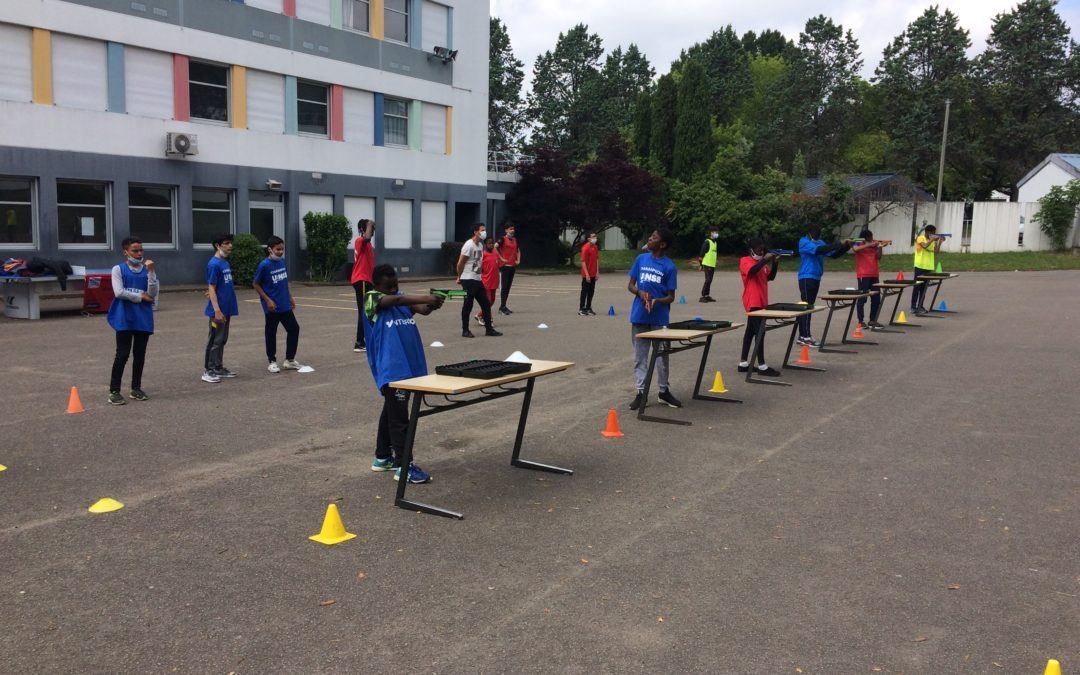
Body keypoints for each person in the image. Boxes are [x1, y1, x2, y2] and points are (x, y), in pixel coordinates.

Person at [363, 264, 444, 484]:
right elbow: (396, 300)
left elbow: (422, 309)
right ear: (376, 286)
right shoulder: (371, 299)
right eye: (388, 287)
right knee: (400, 420)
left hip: (410, 366)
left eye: (395, 285)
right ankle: (404, 465)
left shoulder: (400, 299)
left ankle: (382, 457)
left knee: (391, 411)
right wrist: (425, 298)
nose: (393, 290)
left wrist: (434, 303)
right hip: (393, 369)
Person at [627, 228, 681, 411]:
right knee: (640, 357)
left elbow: (671, 296)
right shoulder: (641, 260)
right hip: (639, 317)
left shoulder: (669, 267)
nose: (649, 239)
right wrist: (640, 292)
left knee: (662, 358)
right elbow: (630, 285)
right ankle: (641, 393)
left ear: (662, 244)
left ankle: (663, 391)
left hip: (659, 319)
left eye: (654, 237)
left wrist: (657, 300)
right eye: (650, 236)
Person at [106, 237, 159, 405]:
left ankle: (136, 388)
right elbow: (119, 292)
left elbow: (153, 292)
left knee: (140, 354)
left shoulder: (148, 270)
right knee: (122, 354)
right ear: (126, 252)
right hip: (125, 317)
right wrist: (140, 296)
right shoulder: (118, 269)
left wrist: (151, 272)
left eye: (141, 250)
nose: (138, 253)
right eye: (135, 250)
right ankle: (114, 390)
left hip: (142, 317)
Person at [796, 224, 851, 347]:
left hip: (816, 277)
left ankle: (802, 336)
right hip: (806, 277)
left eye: (819, 235)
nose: (817, 237)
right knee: (807, 306)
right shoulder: (803, 242)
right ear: (810, 234)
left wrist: (845, 247)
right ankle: (805, 336)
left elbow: (832, 254)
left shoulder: (819, 241)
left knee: (809, 306)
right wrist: (838, 243)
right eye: (815, 235)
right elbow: (818, 250)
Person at [253, 235, 301, 373]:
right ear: (270, 249)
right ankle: (272, 361)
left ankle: (290, 360)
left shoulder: (282, 262)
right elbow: (255, 284)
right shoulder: (264, 265)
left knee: (294, 329)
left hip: (284, 304)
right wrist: (268, 300)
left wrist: (290, 297)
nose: (280, 252)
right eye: (277, 249)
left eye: (282, 249)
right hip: (272, 307)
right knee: (271, 333)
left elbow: (284, 282)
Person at [738, 238, 782, 377]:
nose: (761, 252)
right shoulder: (745, 260)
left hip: (761, 301)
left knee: (750, 332)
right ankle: (762, 365)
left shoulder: (761, 263)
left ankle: (743, 363)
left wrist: (775, 263)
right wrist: (765, 260)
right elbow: (751, 272)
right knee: (760, 332)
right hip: (753, 301)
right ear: (751, 250)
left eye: (763, 250)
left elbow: (771, 277)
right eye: (759, 250)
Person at [456, 223, 502, 338]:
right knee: (468, 305)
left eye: (484, 230)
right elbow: (460, 263)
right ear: (476, 232)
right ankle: (465, 330)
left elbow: (477, 264)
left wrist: (480, 275)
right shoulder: (469, 245)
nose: (484, 232)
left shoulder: (480, 245)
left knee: (486, 304)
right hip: (468, 279)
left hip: (477, 279)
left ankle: (489, 329)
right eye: (482, 230)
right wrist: (459, 276)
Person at [203, 233, 238, 383]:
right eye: (226, 243)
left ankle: (218, 367)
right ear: (218, 245)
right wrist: (217, 309)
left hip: (227, 308)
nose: (230, 246)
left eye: (230, 243)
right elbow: (211, 287)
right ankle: (208, 370)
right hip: (218, 310)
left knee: (222, 339)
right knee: (215, 340)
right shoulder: (214, 264)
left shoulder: (225, 263)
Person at [852, 229, 890, 328]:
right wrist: (869, 244)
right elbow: (855, 249)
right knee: (862, 298)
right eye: (870, 237)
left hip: (874, 274)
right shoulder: (859, 242)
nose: (872, 239)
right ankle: (861, 321)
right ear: (865, 238)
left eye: (872, 237)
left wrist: (880, 247)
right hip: (863, 275)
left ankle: (873, 320)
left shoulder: (875, 244)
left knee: (876, 299)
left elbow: (878, 257)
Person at [351, 218, 375, 352]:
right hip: (362, 280)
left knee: (370, 310)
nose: (372, 231)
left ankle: (366, 340)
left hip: (368, 280)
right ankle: (359, 342)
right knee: (364, 311)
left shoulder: (368, 245)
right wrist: (369, 224)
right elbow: (366, 237)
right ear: (362, 230)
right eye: (370, 228)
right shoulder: (360, 241)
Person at [911, 224, 943, 315]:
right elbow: (924, 246)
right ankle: (913, 307)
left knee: (924, 288)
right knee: (917, 287)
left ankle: (920, 306)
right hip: (920, 266)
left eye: (934, 233)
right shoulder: (920, 238)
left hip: (928, 266)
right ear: (927, 232)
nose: (933, 234)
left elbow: (936, 252)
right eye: (932, 233)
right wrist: (932, 239)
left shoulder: (932, 240)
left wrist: (939, 242)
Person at [495, 223, 521, 315]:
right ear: (506, 230)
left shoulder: (514, 240)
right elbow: (495, 247)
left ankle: (504, 305)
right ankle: (502, 307)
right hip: (505, 267)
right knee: (504, 287)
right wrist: (501, 258)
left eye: (513, 229)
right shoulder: (502, 239)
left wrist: (518, 259)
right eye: (510, 229)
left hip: (512, 266)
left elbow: (518, 250)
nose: (512, 230)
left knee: (508, 287)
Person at [475, 237, 500, 325]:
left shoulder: (495, 254)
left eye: (492, 243)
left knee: (492, 300)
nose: (491, 244)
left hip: (494, 281)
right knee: (487, 301)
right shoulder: (482, 254)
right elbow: (476, 268)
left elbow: (498, 265)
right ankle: (489, 320)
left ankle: (479, 314)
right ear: (485, 245)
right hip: (486, 282)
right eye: (489, 243)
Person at [578, 231, 599, 316]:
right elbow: (583, 262)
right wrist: (586, 274)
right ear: (589, 239)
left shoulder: (595, 247)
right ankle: (582, 308)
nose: (595, 238)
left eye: (595, 236)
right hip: (586, 274)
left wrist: (597, 271)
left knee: (591, 291)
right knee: (584, 291)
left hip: (593, 274)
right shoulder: (585, 248)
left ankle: (588, 307)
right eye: (593, 237)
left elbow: (597, 259)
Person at [698, 226, 719, 302]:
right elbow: (701, 254)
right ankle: (703, 296)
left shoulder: (715, 243)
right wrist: (700, 265)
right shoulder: (707, 242)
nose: (717, 234)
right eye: (715, 232)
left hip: (712, 264)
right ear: (711, 233)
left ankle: (707, 295)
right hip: (707, 264)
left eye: (717, 232)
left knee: (710, 280)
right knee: (708, 280)